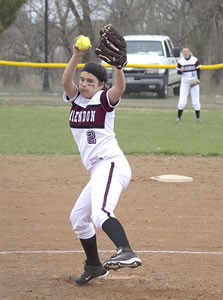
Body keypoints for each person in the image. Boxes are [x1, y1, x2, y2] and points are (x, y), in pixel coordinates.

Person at [62, 40, 142, 285]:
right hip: (98, 170)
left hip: (111, 164)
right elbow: (66, 82)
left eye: (91, 82)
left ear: (100, 86)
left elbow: (119, 89)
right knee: (78, 218)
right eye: (83, 80)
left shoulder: (104, 101)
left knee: (100, 213)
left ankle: (126, 250)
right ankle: (95, 266)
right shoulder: (75, 99)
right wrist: (76, 56)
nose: (85, 84)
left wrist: (118, 67)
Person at [176, 47, 201, 123]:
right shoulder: (181, 62)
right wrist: (181, 71)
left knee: (195, 102)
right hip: (185, 83)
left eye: (186, 51)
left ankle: (198, 119)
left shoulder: (195, 60)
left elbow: (198, 70)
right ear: (182, 53)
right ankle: (178, 118)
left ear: (189, 52)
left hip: (194, 82)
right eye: (184, 52)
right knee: (182, 102)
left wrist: (198, 80)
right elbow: (178, 72)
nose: (185, 53)